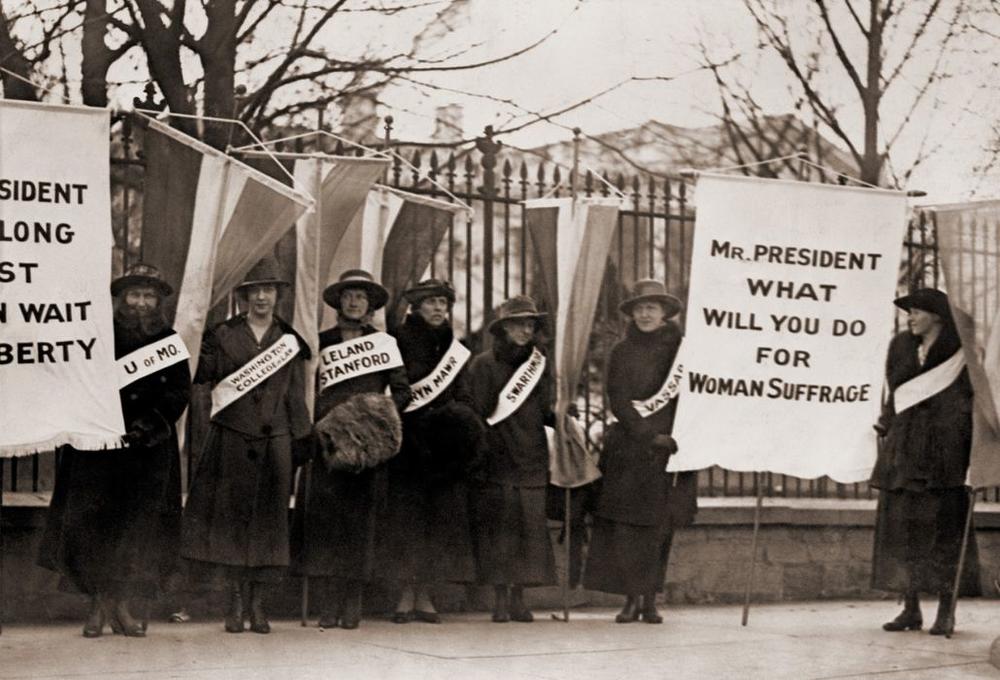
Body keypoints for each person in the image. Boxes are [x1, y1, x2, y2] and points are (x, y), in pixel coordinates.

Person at [39, 263, 192, 638]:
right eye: (134, 295)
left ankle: (120, 604)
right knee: (96, 527)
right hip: (100, 447)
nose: (140, 303)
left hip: (148, 449)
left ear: (158, 302)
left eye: (148, 296)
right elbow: (75, 384)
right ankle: (97, 606)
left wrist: (150, 425)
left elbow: (178, 392)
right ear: (122, 300)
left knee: (137, 529)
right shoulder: (97, 338)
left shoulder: (169, 342)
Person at [181, 256, 313, 635]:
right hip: (233, 437)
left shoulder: (288, 341)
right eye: (255, 291)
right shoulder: (222, 335)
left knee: (270, 525)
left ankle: (259, 605)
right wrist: (193, 333)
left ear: (278, 296)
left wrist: (301, 439)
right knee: (233, 523)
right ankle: (235, 603)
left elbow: (295, 395)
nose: (261, 298)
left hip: (275, 441)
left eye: (268, 290)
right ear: (243, 296)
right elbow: (201, 374)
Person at [292, 269, 411, 630]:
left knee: (360, 526)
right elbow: (306, 390)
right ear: (339, 303)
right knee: (326, 524)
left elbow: (402, 392)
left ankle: (352, 600)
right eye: (348, 296)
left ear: (371, 305)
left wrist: (372, 420)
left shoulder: (385, 344)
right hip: (327, 447)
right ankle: (328, 603)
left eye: (361, 296)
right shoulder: (321, 342)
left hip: (365, 450)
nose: (354, 302)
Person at [583, 279, 697, 623]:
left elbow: (693, 398)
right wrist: (647, 434)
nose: (645, 314)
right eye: (639, 308)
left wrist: (675, 436)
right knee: (626, 529)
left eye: (652, 307)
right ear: (632, 313)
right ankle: (631, 599)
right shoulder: (621, 350)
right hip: (630, 450)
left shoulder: (685, 351)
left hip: (670, 451)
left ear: (664, 312)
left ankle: (650, 599)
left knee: (659, 529)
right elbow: (616, 397)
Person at [871, 287, 980, 636]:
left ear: (937, 316)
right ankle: (910, 608)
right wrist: (886, 423)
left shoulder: (961, 351)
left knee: (944, 532)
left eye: (917, 312)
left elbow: (975, 399)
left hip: (944, 454)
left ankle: (946, 611)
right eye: (909, 313)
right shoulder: (900, 346)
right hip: (904, 451)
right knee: (902, 531)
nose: (911, 318)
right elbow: (895, 391)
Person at [380, 279, 481, 623]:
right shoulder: (398, 340)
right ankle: (405, 595)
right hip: (409, 442)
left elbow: (464, 393)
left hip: (443, 446)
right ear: (416, 307)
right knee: (407, 521)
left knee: (437, 523)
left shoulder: (455, 347)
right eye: (432, 303)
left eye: (443, 303)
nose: (439, 309)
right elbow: (393, 387)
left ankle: (425, 595)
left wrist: (458, 416)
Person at [466, 295, 556, 623]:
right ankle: (500, 598)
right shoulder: (483, 364)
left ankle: (519, 597)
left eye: (530, 324)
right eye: (518, 323)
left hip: (531, 454)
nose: (524, 330)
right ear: (503, 328)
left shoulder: (539, 364)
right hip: (498, 457)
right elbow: (476, 413)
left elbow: (546, 410)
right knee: (500, 533)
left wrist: (563, 418)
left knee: (529, 532)